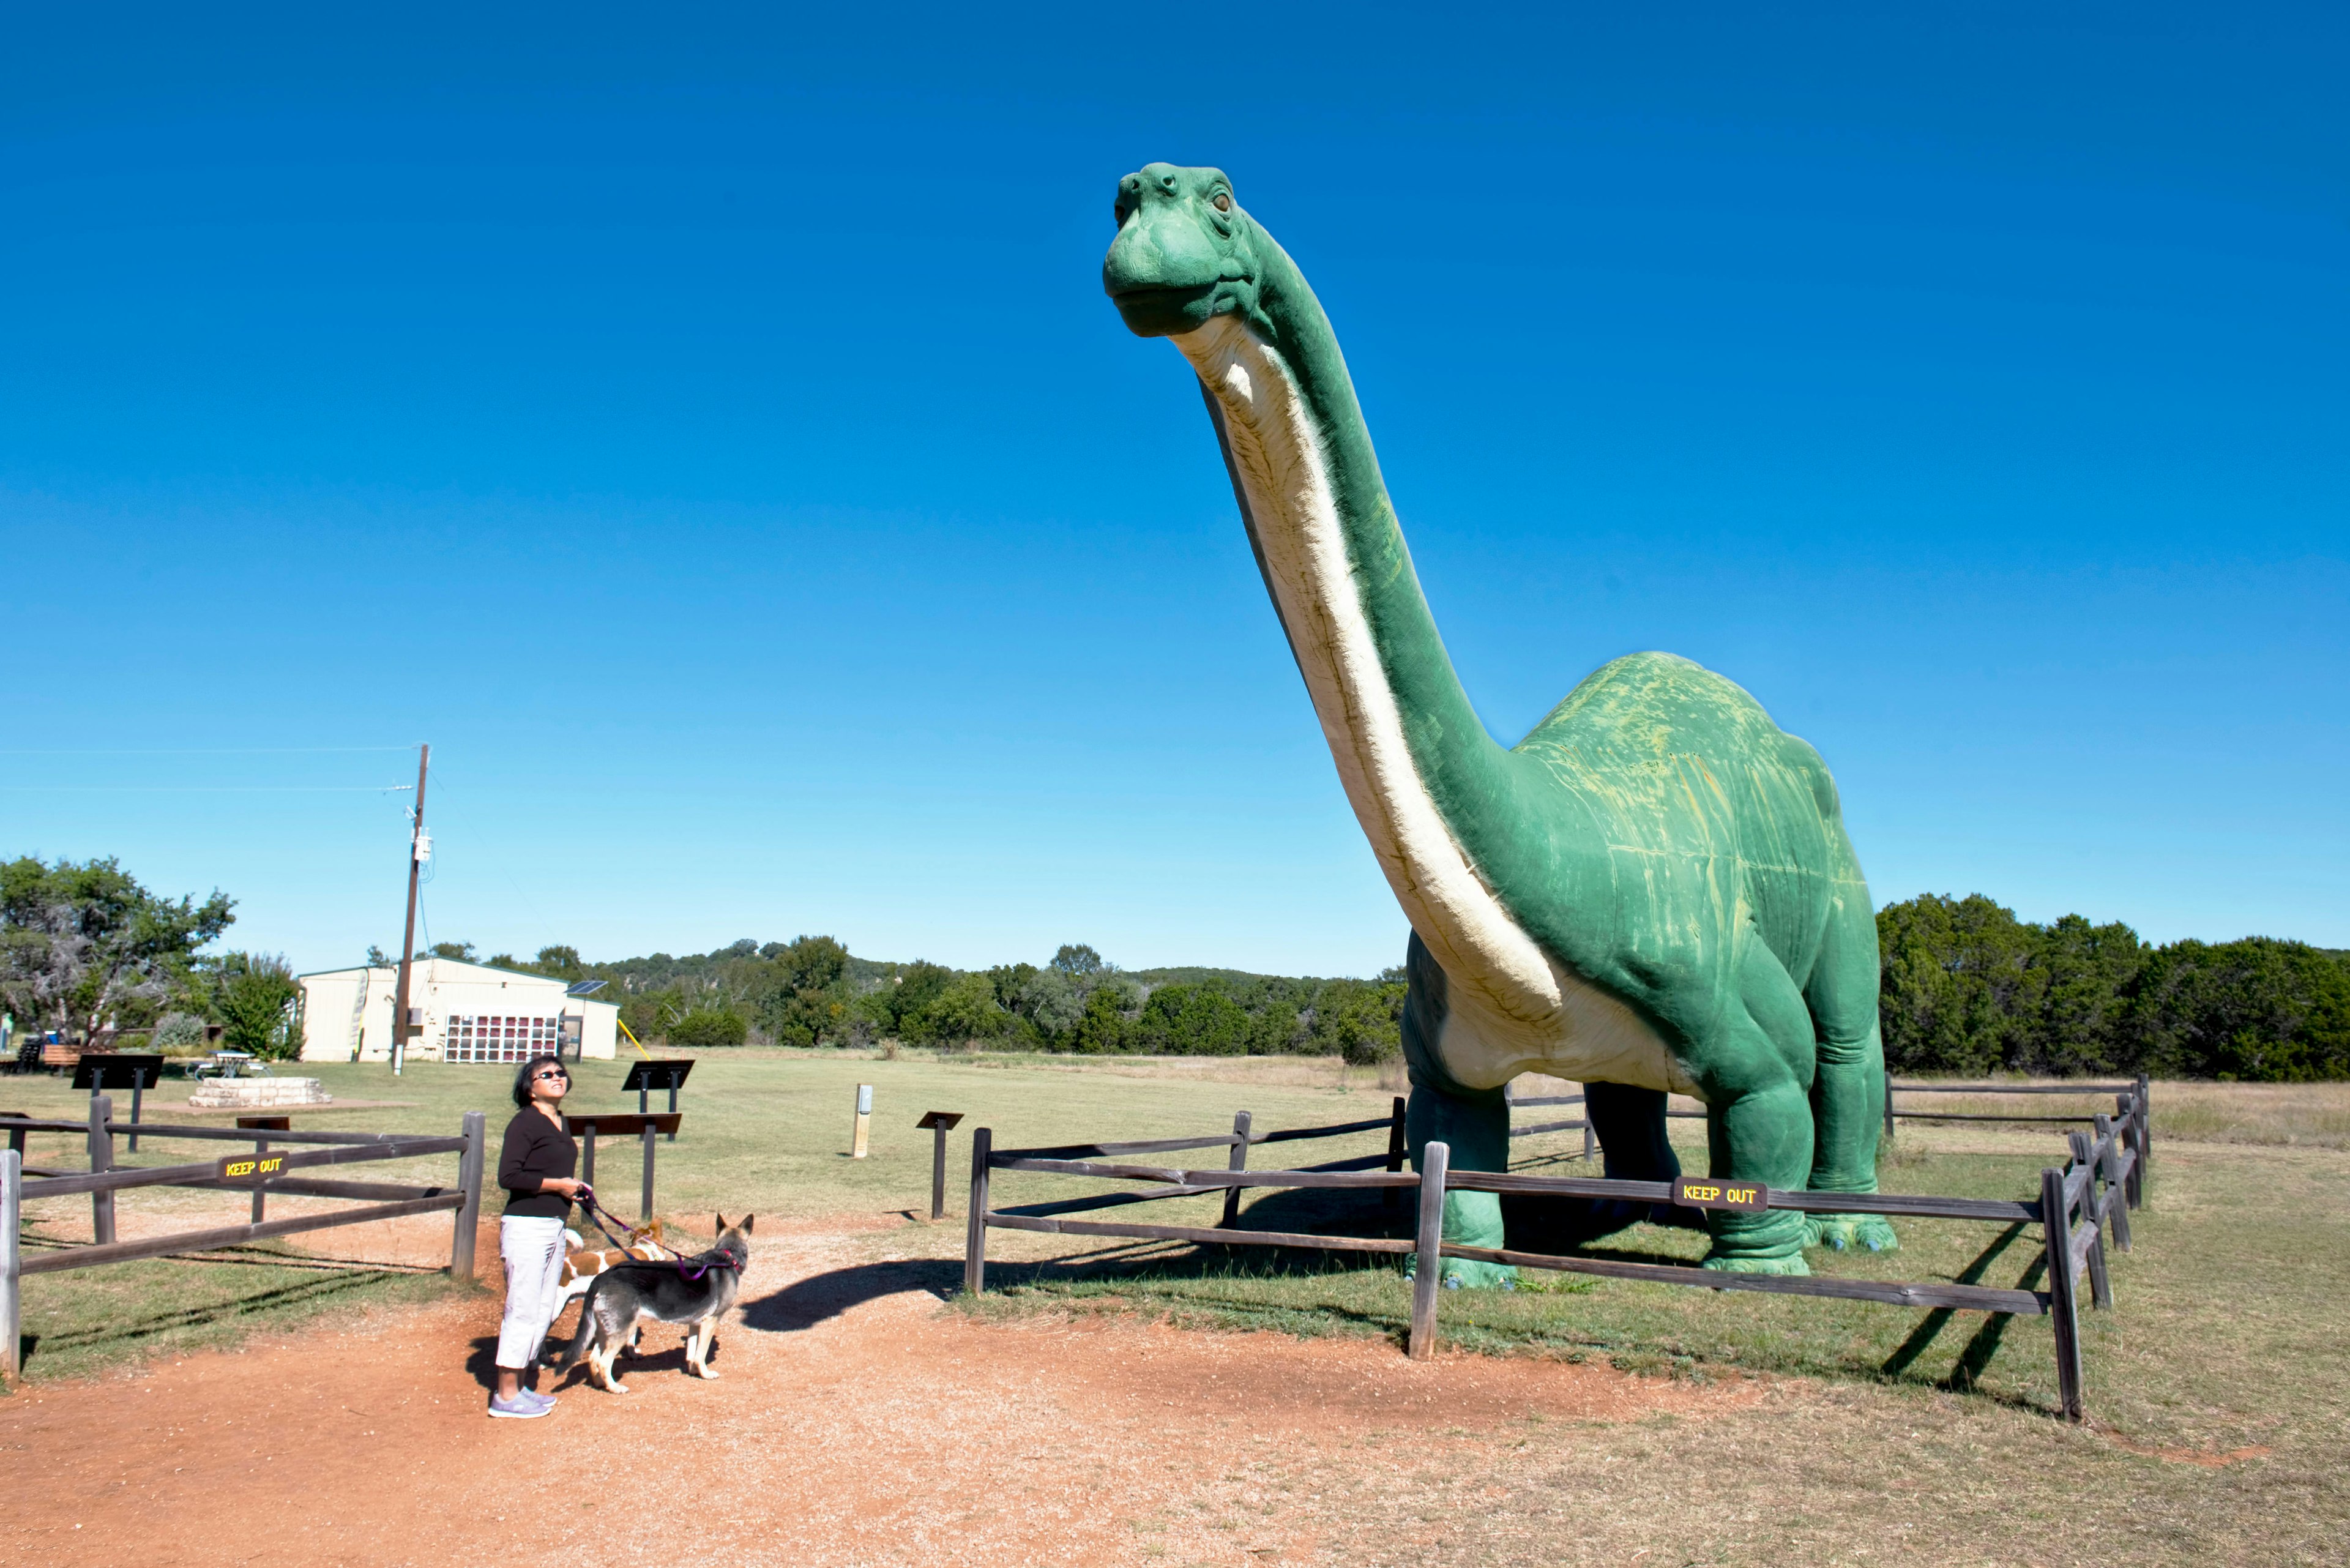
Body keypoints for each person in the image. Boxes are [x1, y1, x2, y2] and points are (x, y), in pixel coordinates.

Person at [488, 1052, 586, 1418]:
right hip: (526, 1227)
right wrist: (558, 1186)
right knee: (523, 1308)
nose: (557, 1077)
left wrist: (572, 1188)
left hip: (554, 1226)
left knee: (544, 1307)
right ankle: (505, 1396)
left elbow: (551, 1171)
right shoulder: (525, 1123)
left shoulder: (560, 1121)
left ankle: (521, 1386)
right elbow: (509, 1177)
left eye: (560, 1072)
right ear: (530, 1089)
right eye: (546, 1075)